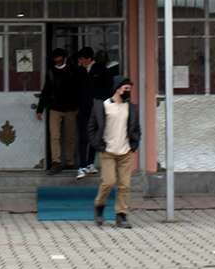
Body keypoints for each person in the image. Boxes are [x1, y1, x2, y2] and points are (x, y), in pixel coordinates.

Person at [88, 77, 141, 229]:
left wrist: (134, 145)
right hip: (108, 152)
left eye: (130, 89)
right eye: (126, 89)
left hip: (125, 152)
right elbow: (91, 127)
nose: (128, 91)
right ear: (117, 89)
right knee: (109, 182)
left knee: (125, 185)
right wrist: (97, 144)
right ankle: (99, 207)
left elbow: (136, 128)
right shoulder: (103, 106)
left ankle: (121, 215)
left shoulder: (131, 108)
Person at [37, 47, 83, 174]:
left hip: (71, 108)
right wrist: (40, 108)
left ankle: (69, 162)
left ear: (65, 59)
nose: (57, 62)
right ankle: (56, 162)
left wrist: (79, 106)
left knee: (70, 137)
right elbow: (46, 90)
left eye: (60, 60)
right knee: (55, 136)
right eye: (56, 60)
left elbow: (79, 89)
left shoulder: (74, 70)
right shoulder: (51, 72)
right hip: (55, 108)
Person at [74, 47, 99, 179]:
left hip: (96, 109)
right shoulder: (79, 71)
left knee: (93, 137)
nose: (80, 61)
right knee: (83, 138)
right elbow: (74, 89)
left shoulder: (99, 70)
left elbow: (104, 88)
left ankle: (90, 163)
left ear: (89, 59)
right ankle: (82, 166)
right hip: (82, 110)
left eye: (82, 59)